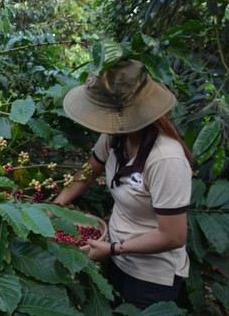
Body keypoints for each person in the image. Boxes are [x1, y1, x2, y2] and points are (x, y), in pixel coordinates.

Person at [53, 60, 193, 310]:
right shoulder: (116, 136)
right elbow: (87, 173)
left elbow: (173, 236)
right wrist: (57, 206)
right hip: (117, 260)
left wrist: (114, 248)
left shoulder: (166, 159)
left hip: (151, 278)